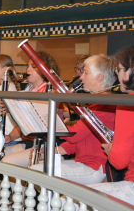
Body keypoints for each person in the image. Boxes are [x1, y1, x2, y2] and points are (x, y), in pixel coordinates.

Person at [30, 54, 116, 185]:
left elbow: (75, 135)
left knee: (35, 172)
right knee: (39, 168)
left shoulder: (105, 104)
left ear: (99, 77)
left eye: (86, 73)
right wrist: (51, 152)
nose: (81, 77)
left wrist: (47, 123)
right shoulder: (96, 102)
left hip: (95, 167)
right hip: (85, 163)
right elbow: (79, 142)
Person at [88, 46, 134, 205]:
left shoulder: (126, 103)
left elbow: (119, 162)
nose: (118, 75)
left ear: (130, 71)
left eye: (120, 70)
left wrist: (111, 149)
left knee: (70, 199)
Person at [0, 51, 61, 166]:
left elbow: (42, 121)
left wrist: (15, 108)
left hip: (45, 144)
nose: (28, 70)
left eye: (33, 66)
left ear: (44, 69)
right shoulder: (29, 90)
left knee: (7, 162)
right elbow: (24, 123)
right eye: (28, 66)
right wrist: (10, 137)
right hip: (29, 142)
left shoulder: (52, 91)